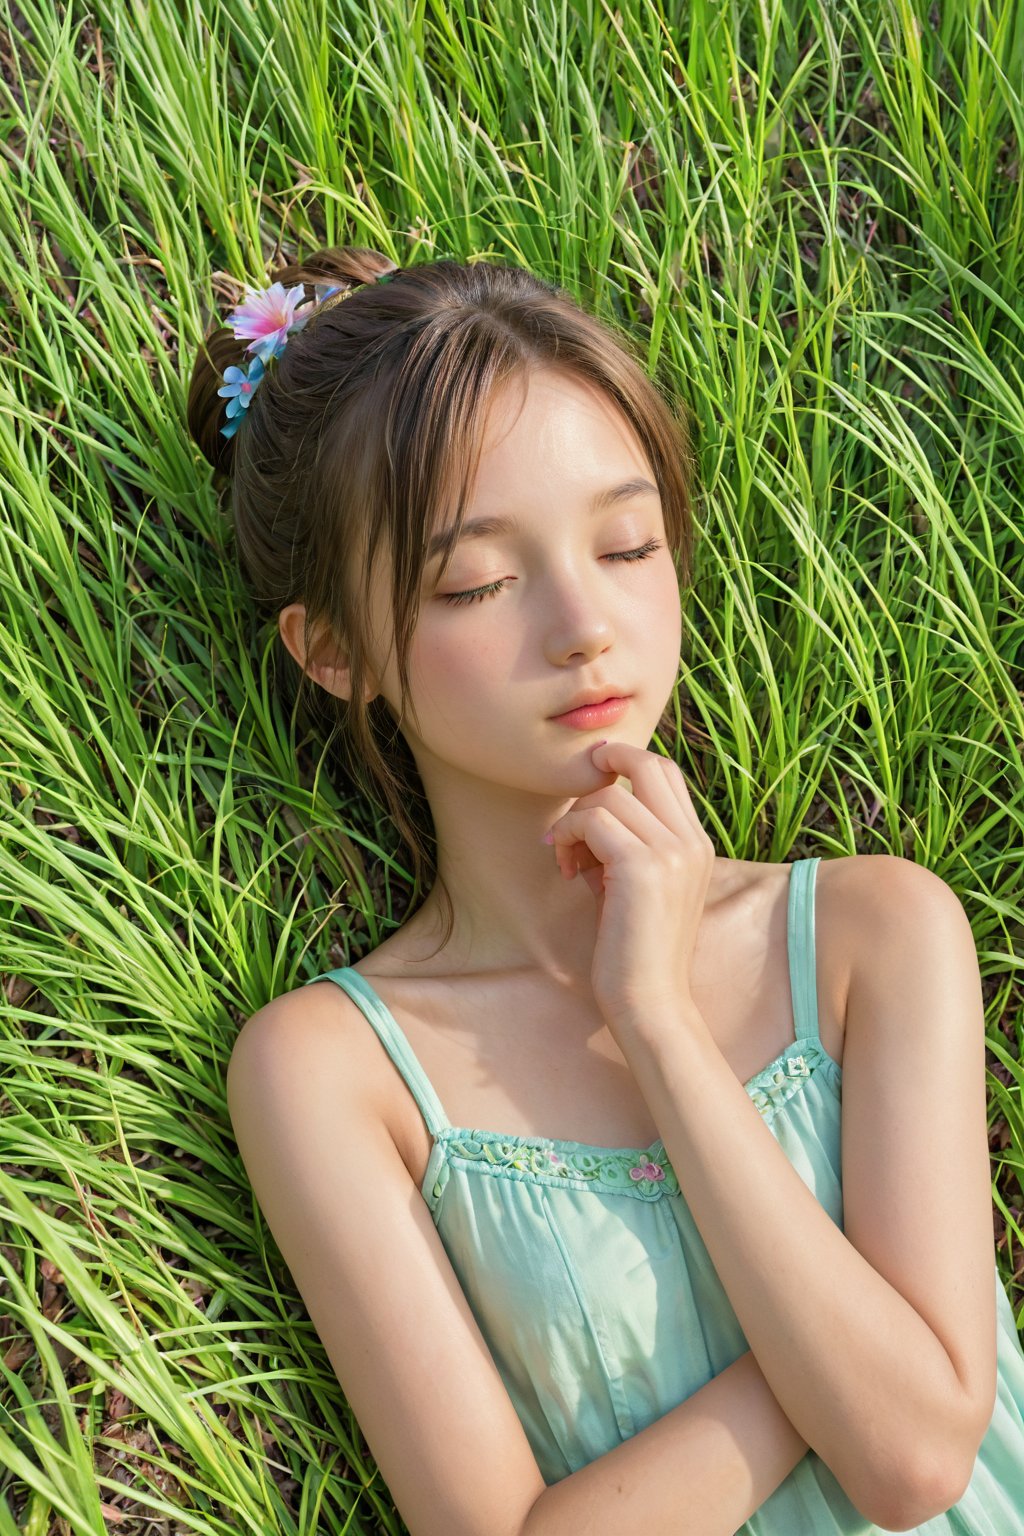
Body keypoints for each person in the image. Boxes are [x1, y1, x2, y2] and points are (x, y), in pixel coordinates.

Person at [187, 247, 1024, 1535]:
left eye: (627, 544)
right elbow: (907, 1428)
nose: (583, 621)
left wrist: (663, 1022)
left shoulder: (874, 935)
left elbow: (920, 1461)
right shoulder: (330, 1073)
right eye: (479, 581)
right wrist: (860, 1345)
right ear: (336, 648)